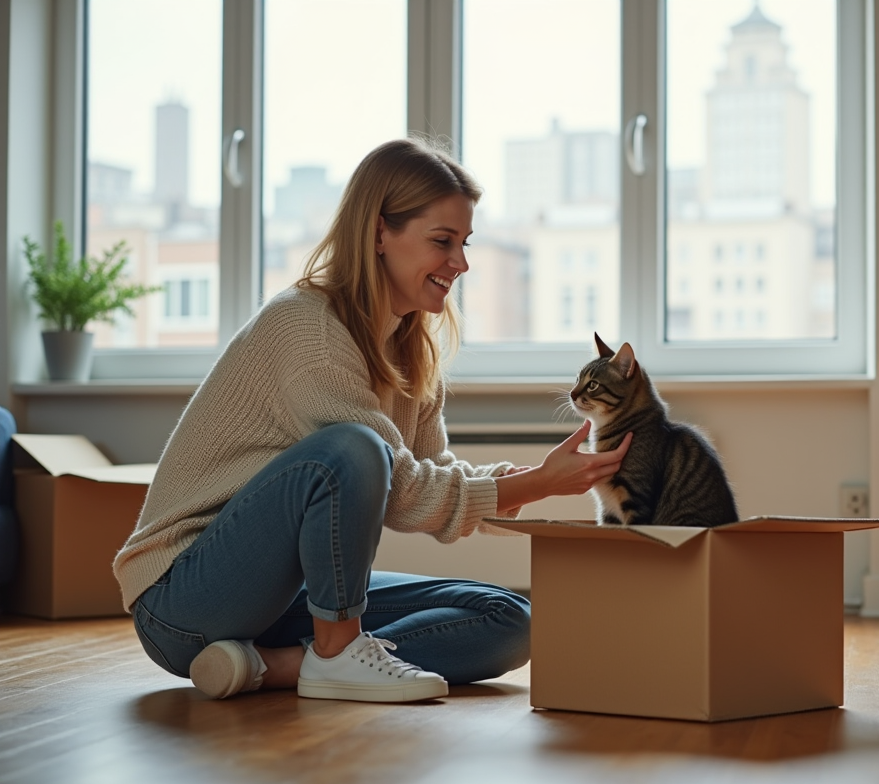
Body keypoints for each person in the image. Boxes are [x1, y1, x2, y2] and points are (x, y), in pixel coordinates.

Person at [113, 137, 631, 703]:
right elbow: (399, 488)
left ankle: (277, 666)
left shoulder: (411, 348)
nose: (460, 263)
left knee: (509, 618)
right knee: (353, 449)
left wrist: (532, 478)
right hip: (183, 601)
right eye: (443, 241)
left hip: (280, 600)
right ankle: (334, 653)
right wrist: (536, 483)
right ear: (380, 233)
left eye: (464, 243)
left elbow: (430, 473)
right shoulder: (307, 327)